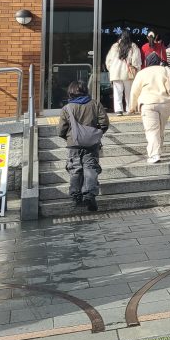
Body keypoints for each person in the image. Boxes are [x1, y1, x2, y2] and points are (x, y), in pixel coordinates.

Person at [57, 80, 109, 211]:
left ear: (70, 92)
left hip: (73, 144)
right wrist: (95, 134)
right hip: (92, 144)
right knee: (90, 168)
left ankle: (76, 197)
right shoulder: (95, 104)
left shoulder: (67, 108)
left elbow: (60, 130)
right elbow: (104, 123)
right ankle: (90, 195)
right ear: (85, 90)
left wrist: (69, 138)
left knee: (75, 169)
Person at [129, 52, 170, 164]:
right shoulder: (166, 70)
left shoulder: (142, 73)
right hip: (164, 103)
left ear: (147, 62)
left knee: (152, 130)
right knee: (160, 129)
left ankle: (154, 155)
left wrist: (132, 107)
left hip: (147, 103)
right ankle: (158, 151)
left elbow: (134, 91)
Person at [105, 31, 141, 116]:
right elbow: (136, 61)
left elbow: (108, 61)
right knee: (129, 92)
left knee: (117, 92)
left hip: (116, 72)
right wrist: (136, 70)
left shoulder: (115, 46)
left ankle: (118, 110)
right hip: (128, 73)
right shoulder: (133, 46)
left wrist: (111, 69)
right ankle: (129, 109)